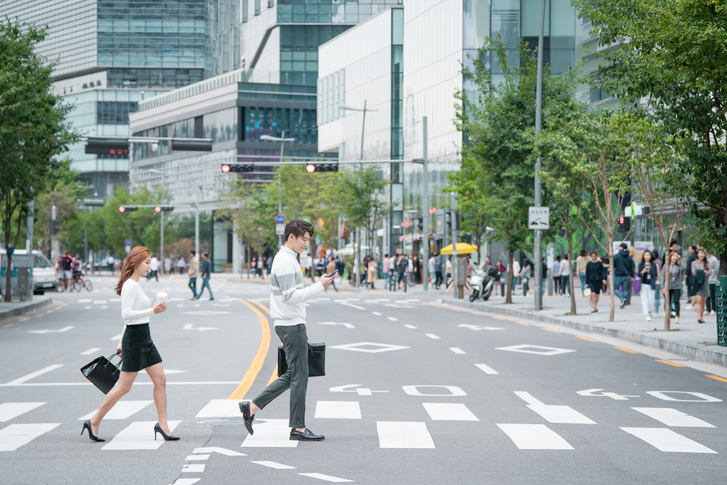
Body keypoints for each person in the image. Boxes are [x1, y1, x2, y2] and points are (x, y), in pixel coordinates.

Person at [239, 220, 334, 442]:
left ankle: (252, 406)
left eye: (308, 240)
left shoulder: (288, 259)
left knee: (295, 373)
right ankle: (298, 428)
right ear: (291, 236)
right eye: (304, 239)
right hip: (291, 323)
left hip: (290, 322)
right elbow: (291, 297)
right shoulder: (285, 262)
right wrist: (320, 286)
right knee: (299, 375)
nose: (305, 244)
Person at [82, 246, 176, 443]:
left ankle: (163, 425)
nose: (150, 266)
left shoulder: (136, 284)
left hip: (144, 338)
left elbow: (129, 320)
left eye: (150, 262)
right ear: (135, 262)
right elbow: (126, 315)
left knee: (161, 380)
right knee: (124, 387)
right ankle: (94, 420)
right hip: (134, 340)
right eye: (147, 262)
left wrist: (119, 343)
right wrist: (152, 310)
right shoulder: (130, 286)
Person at [660, 251, 684, 324]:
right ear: (670, 257)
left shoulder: (679, 266)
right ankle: (668, 316)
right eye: (673, 256)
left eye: (676, 256)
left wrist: (680, 260)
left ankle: (677, 316)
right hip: (668, 286)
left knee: (676, 301)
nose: (675, 257)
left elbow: (684, 268)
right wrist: (662, 286)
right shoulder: (666, 266)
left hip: (677, 286)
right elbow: (662, 276)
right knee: (668, 302)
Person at [690, 248, 711, 324]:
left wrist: (701, 272)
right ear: (697, 254)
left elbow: (710, 273)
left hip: (705, 282)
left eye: (703, 253)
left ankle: (701, 317)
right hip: (697, 283)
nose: (701, 255)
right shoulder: (694, 263)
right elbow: (694, 273)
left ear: (705, 254)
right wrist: (704, 271)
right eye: (700, 253)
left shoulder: (707, 263)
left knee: (703, 302)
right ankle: (699, 317)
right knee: (699, 301)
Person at [613, 243, 635, 309]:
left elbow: (613, 265)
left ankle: (622, 299)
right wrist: (632, 275)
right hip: (627, 275)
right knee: (624, 290)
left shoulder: (616, 256)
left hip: (618, 275)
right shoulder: (629, 257)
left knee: (615, 289)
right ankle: (623, 303)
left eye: (619, 247)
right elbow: (632, 267)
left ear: (621, 247)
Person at [638, 250, 658, 322]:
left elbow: (655, 274)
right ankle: (646, 314)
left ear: (650, 256)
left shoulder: (653, 265)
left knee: (651, 300)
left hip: (651, 284)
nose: (647, 256)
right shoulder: (641, 265)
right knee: (644, 300)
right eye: (645, 255)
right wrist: (643, 272)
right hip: (643, 284)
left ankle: (648, 311)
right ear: (643, 256)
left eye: (648, 255)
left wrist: (654, 279)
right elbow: (639, 275)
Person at [706, 251, 720, 316]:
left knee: (712, 295)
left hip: (712, 280)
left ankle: (713, 309)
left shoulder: (714, 259)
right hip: (706, 280)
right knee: (707, 296)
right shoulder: (705, 258)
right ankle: (707, 309)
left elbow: (717, 269)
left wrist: (717, 278)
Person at [653, 251, 663, 316]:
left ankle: (649, 312)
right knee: (657, 298)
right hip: (657, 282)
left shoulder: (651, 263)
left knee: (652, 297)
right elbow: (659, 273)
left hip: (649, 283)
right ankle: (656, 312)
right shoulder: (659, 262)